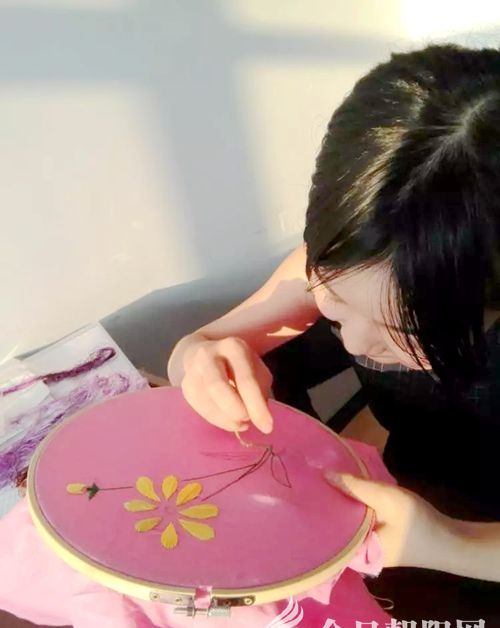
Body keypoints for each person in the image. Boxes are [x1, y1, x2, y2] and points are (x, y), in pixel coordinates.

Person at [167, 43, 500, 585]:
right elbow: (203, 347)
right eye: (336, 302)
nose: (356, 343)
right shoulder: (357, 262)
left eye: (404, 330)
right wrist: (197, 360)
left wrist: (451, 543)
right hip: (405, 504)